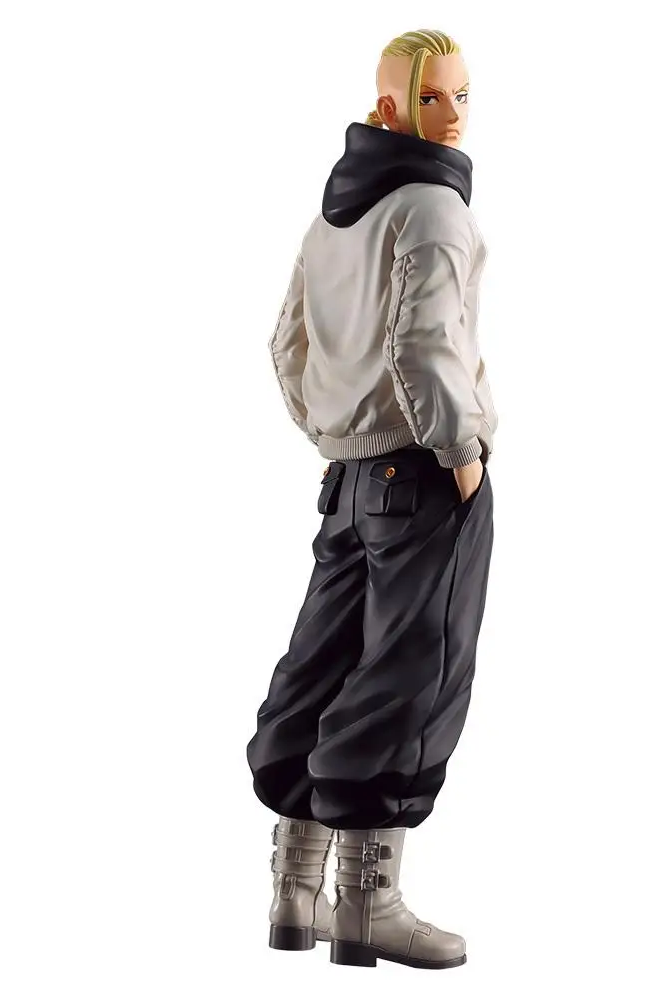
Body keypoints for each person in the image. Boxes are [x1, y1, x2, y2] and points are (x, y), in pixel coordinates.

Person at [246, 28, 498, 970]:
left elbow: (286, 344)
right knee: (410, 676)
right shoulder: (432, 205)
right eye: (434, 97)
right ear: (391, 104)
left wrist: (333, 436)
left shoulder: (336, 213)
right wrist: (460, 452)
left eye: (463, 95)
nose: (454, 115)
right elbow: (425, 344)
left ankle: (294, 894)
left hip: (348, 481)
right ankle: (367, 907)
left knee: (321, 666)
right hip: (423, 472)